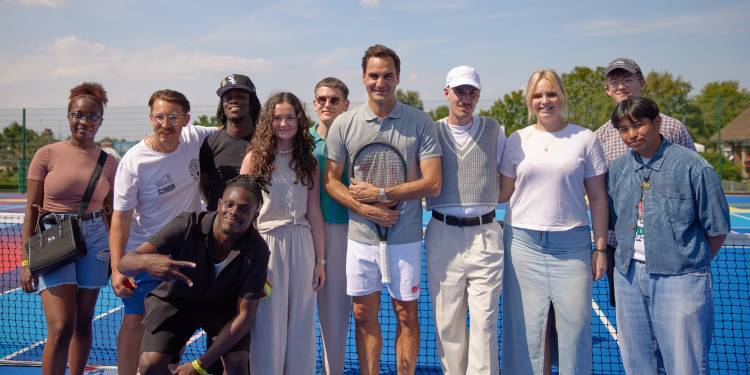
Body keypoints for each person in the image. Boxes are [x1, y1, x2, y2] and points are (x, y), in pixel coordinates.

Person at [325, 44, 442, 375]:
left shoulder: (420, 122)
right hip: (360, 239)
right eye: (374, 75)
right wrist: (369, 211)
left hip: (404, 238)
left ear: (398, 77)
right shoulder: (344, 124)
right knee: (363, 314)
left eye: (387, 75)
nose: (381, 82)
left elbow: (432, 182)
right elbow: (332, 182)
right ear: (363, 78)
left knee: (406, 315)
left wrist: (381, 193)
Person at [607, 96, 730, 374]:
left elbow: (717, 229)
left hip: (680, 279)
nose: (631, 135)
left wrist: (687, 263)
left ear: (658, 123)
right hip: (627, 278)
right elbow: (617, 219)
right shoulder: (618, 169)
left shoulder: (693, 166)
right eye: (624, 129)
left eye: (638, 125)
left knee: (685, 365)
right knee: (638, 363)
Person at [498, 69, 608, 374]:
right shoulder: (516, 140)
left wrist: (599, 248)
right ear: (529, 101)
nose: (544, 101)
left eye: (550, 94)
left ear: (561, 97)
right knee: (527, 336)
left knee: (575, 332)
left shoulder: (585, 138)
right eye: (537, 95)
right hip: (522, 245)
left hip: (572, 248)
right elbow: (502, 193)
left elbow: (598, 198)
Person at [117, 175, 271, 375]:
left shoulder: (258, 250)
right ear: (219, 204)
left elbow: (245, 315)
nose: (234, 212)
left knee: (237, 366)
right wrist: (147, 262)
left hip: (222, 308)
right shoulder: (186, 224)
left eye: (244, 208)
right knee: (150, 364)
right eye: (229, 204)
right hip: (177, 302)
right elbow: (125, 263)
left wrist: (200, 365)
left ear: (255, 215)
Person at [109, 89, 216, 375]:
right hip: (145, 254)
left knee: (176, 321)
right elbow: (120, 218)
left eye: (172, 116)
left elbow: (237, 128)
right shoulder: (134, 162)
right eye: (159, 116)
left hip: (186, 254)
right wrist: (118, 269)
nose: (165, 123)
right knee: (135, 319)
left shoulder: (195, 137)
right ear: (150, 118)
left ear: (186, 120)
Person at [19, 82, 118, 375]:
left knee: (83, 323)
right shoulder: (46, 154)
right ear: (69, 116)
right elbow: (31, 210)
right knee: (62, 326)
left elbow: (110, 211)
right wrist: (27, 261)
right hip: (53, 239)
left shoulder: (109, 161)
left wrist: (115, 255)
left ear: (100, 120)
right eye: (78, 115)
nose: (85, 122)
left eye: (92, 117)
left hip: (95, 239)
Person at [593, 57, 696, 307]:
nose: (621, 86)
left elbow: (694, 181)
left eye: (627, 79)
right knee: (631, 324)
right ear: (607, 90)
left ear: (642, 83)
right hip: (623, 248)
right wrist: (603, 246)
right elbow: (600, 196)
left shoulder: (673, 128)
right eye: (614, 82)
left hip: (672, 245)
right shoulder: (600, 137)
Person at [425, 65, 505, 375]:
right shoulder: (430, 131)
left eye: (472, 92)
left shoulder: (495, 130)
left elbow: (509, 178)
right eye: (460, 91)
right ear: (446, 92)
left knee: (484, 322)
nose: (466, 97)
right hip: (442, 234)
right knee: (447, 322)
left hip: (485, 234)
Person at [240, 92, 325, 374]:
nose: (284, 123)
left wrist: (320, 261)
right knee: (268, 322)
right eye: (277, 118)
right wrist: (250, 259)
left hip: (302, 245)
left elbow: (314, 213)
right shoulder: (254, 160)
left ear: (299, 120)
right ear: (268, 121)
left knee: (302, 320)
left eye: (289, 117)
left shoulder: (309, 162)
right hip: (267, 245)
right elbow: (244, 214)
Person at [311, 77, 352, 375]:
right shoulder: (298, 141)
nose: (327, 104)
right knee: (295, 313)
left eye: (334, 99)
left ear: (346, 105)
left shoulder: (355, 139)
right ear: (314, 104)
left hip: (342, 233)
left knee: (335, 315)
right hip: (302, 235)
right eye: (322, 99)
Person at [200, 74, 262, 210]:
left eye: (240, 97)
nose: (234, 101)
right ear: (222, 104)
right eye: (228, 98)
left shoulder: (266, 140)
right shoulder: (209, 143)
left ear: (251, 102)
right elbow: (204, 186)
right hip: (219, 224)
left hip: (259, 224)